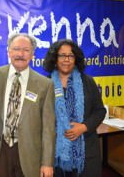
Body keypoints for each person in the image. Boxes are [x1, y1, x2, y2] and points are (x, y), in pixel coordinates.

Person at [0, 33, 55, 177]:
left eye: (26, 50)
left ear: (32, 55)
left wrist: (47, 163)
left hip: (29, 154)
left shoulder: (45, 85)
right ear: (8, 52)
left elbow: (48, 128)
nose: (20, 54)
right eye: (16, 49)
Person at [43, 39, 106, 177]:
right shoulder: (45, 84)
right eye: (62, 55)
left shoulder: (88, 81)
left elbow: (100, 111)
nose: (66, 59)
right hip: (56, 155)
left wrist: (83, 127)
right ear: (54, 58)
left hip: (87, 152)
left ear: (76, 59)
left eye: (71, 55)